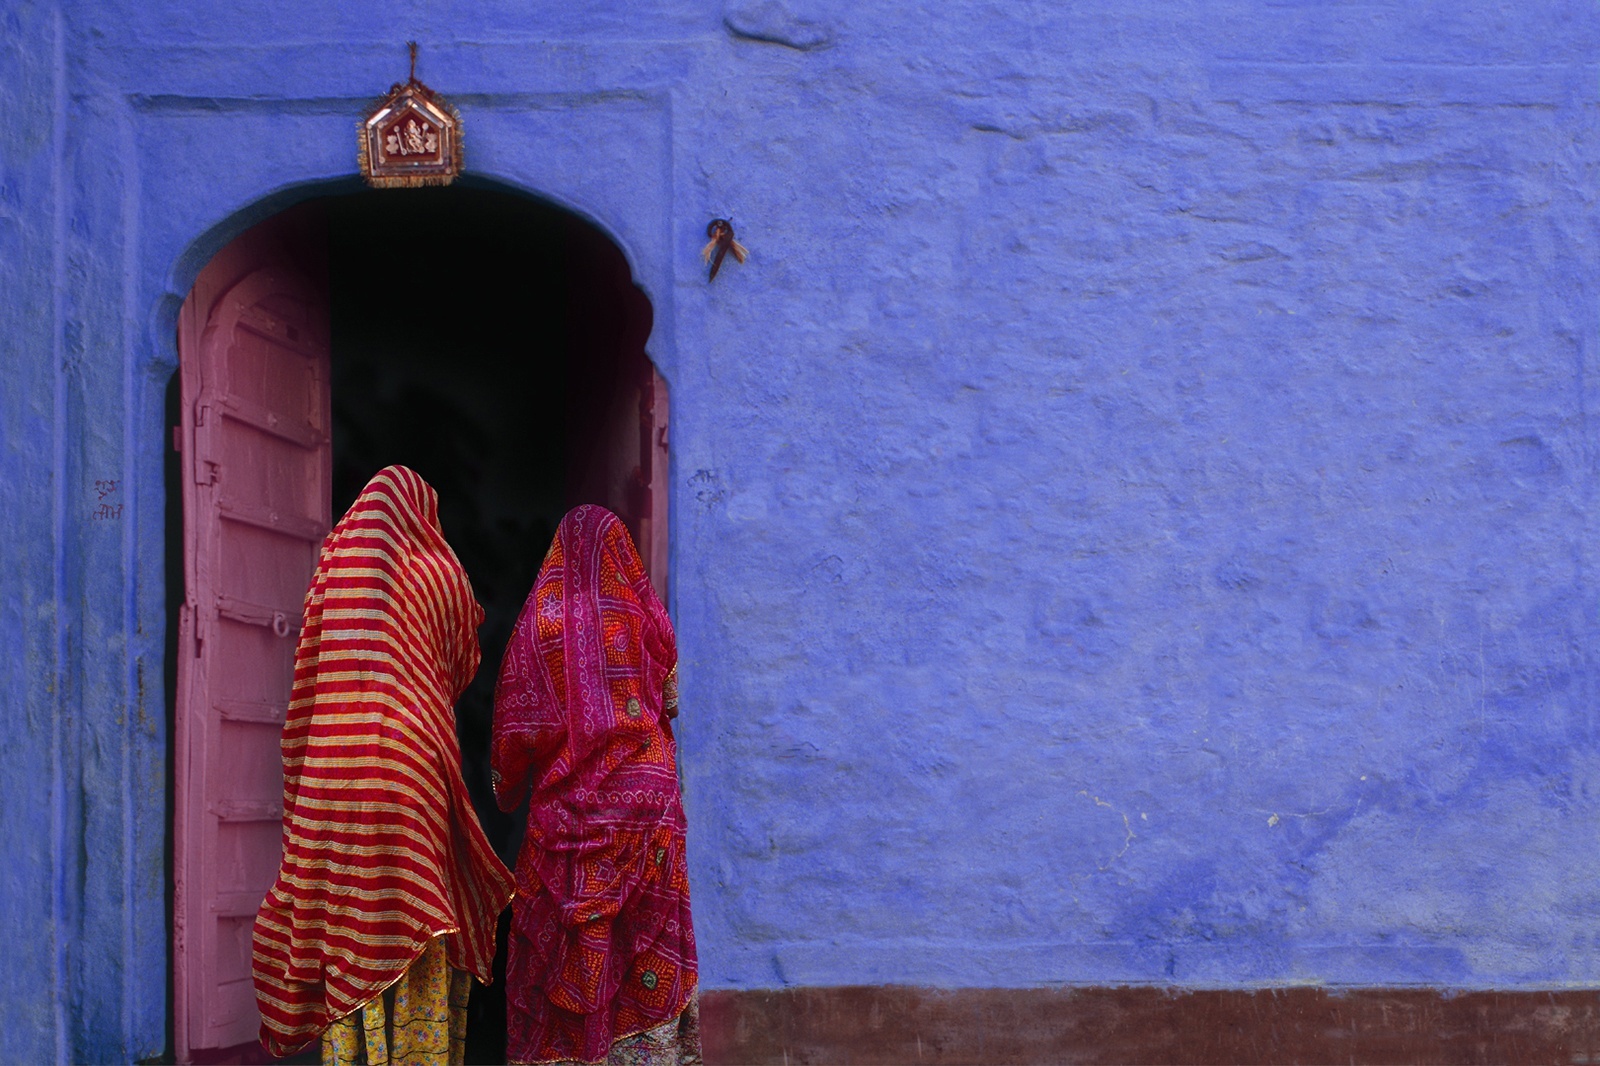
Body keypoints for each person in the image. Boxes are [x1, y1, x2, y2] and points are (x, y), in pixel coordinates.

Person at [252, 465, 516, 1065]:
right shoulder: (442, 570)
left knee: (348, 925)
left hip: (331, 776)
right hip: (410, 769)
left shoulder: (335, 563)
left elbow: (309, 670)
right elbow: (463, 662)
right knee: (417, 919)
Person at [492, 505, 699, 1065]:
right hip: (648, 802)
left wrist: (504, 788)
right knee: (645, 940)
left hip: (572, 809)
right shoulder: (642, 612)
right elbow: (673, 701)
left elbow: (518, 723)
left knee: (569, 944)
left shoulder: (543, 622)